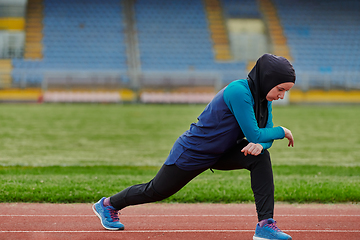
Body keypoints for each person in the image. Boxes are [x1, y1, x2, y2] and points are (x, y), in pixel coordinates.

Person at [93, 53, 295, 240]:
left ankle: (265, 225)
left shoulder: (264, 98)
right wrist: (282, 131)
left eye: (285, 91)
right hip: (194, 151)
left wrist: (261, 146)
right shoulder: (238, 91)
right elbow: (256, 134)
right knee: (156, 191)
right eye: (280, 89)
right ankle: (108, 204)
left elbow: (262, 137)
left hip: (224, 151)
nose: (281, 96)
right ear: (267, 80)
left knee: (260, 158)